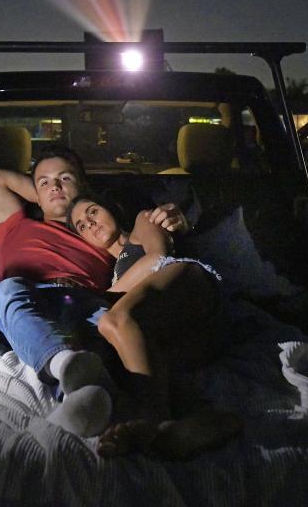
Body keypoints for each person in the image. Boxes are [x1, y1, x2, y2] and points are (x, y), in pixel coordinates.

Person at [0, 145, 187, 438]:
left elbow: (146, 249)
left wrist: (171, 221)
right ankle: (67, 365)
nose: (54, 186)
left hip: (84, 300)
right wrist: (48, 193)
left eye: (65, 178)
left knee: (127, 343)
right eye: (44, 181)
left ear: (82, 185)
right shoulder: (15, 225)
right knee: (3, 293)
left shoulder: (96, 232)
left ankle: (88, 399)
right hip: (27, 297)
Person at [66, 194, 242, 458]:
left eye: (93, 212)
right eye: (81, 225)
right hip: (197, 336)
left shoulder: (141, 222)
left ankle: (151, 420)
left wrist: (101, 297)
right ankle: (203, 421)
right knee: (134, 360)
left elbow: (158, 257)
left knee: (114, 321)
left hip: (188, 285)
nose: (89, 223)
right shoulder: (113, 273)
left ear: (111, 209)